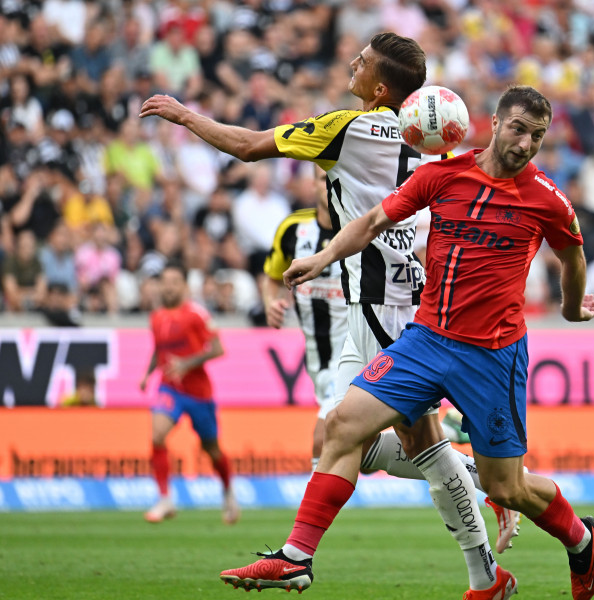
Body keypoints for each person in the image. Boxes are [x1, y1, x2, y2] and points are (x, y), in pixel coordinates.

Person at [141, 32, 518, 596]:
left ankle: (491, 520)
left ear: (380, 87)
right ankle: (474, 505)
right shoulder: (437, 143)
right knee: (347, 440)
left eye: (362, 62)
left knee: (416, 441)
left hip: (380, 303)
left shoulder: (350, 127)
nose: (352, 63)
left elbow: (247, 146)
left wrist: (184, 115)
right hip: (381, 298)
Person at [218, 86, 594, 600]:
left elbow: (572, 257)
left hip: (494, 355)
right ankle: (296, 558)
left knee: (505, 487)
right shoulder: (441, 176)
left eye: (537, 135)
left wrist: (572, 306)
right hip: (425, 341)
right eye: (518, 129)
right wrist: (323, 258)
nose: (526, 143)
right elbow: (375, 220)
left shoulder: (547, 199)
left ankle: (580, 539)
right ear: (493, 123)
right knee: (341, 425)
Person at [138, 261, 239, 525]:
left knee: (212, 450)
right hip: (169, 387)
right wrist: (148, 374)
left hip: (198, 392)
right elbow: (159, 351)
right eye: (165, 282)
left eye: (174, 282)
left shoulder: (197, 314)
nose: (168, 287)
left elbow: (218, 349)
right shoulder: (156, 317)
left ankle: (228, 492)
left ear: (183, 286)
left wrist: (186, 363)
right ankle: (165, 499)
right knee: (157, 435)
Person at [262, 169, 347, 471]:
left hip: (355, 353)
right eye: (324, 177)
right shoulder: (293, 228)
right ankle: (457, 465)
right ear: (312, 184)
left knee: (322, 440)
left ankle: (313, 518)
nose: (331, 185)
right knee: (360, 447)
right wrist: (271, 302)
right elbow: (272, 278)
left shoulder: (359, 227)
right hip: (318, 360)